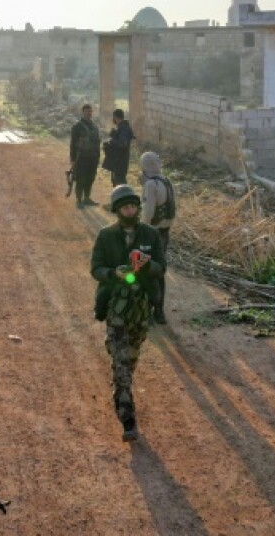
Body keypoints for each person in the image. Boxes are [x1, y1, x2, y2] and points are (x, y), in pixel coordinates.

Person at [90, 184, 165, 443]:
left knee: (131, 357)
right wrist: (113, 274)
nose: (130, 209)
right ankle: (127, 416)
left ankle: (121, 387)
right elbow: (96, 268)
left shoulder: (151, 235)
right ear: (117, 210)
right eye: (125, 206)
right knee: (120, 360)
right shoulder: (106, 235)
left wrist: (147, 266)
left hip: (141, 307)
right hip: (116, 306)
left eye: (133, 205)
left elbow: (161, 268)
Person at [139, 151, 175, 325]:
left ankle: (147, 311)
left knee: (144, 271)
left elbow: (148, 212)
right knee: (159, 272)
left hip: (151, 233)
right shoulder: (167, 181)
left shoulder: (151, 185)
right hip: (165, 232)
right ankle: (159, 312)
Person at [69, 103, 102, 208]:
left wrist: (98, 157)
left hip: (93, 158)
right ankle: (79, 200)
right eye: (87, 111)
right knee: (81, 179)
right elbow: (73, 144)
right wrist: (73, 159)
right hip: (81, 159)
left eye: (91, 111)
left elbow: (97, 142)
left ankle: (87, 198)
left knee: (90, 178)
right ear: (83, 112)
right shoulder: (77, 127)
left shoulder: (94, 126)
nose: (89, 113)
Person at [101, 108, 135, 186]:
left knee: (120, 183)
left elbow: (123, 144)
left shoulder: (124, 128)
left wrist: (111, 141)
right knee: (115, 181)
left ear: (115, 117)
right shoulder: (120, 127)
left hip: (120, 162)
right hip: (117, 161)